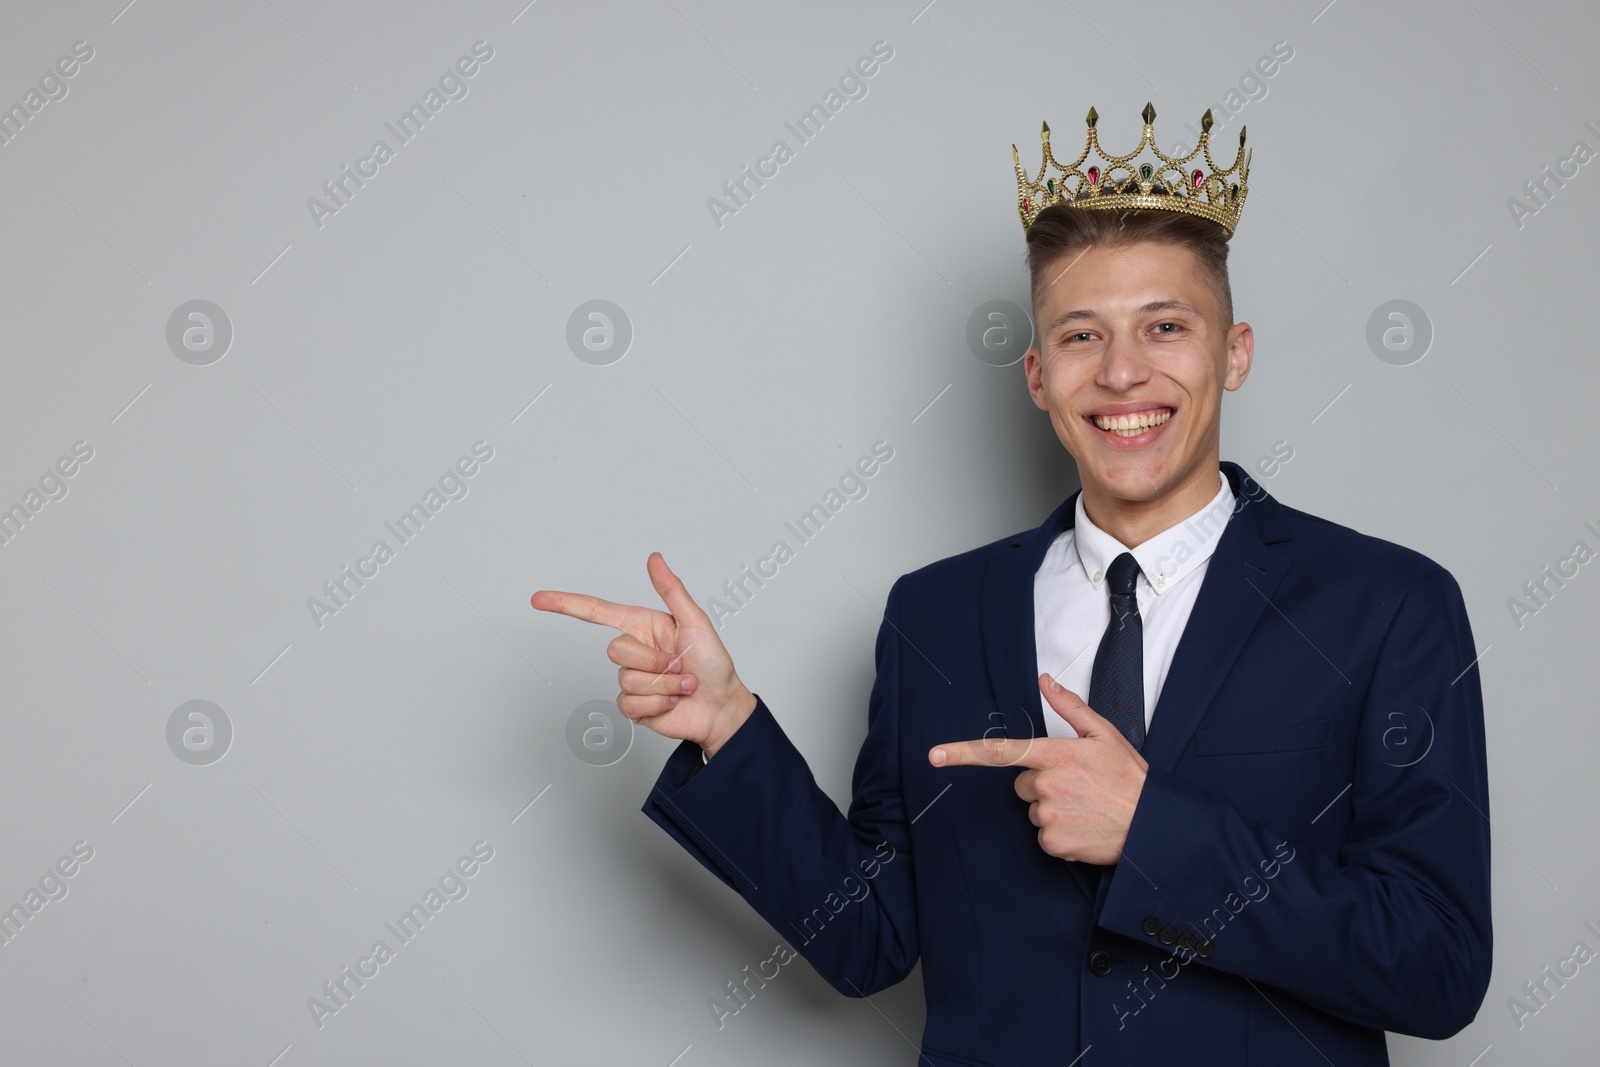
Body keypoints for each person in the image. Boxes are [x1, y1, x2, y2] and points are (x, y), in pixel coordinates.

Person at [531, 103, 1492, 1066]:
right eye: (1081, 336)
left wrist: (1155, 833)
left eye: (1165, 325)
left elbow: (1437, 964)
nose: (1122, 372)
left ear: (1233, 351)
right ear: (1038, 374)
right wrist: (728, 727)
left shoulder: (1389, 606)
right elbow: (868, 937)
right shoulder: (935, 615)